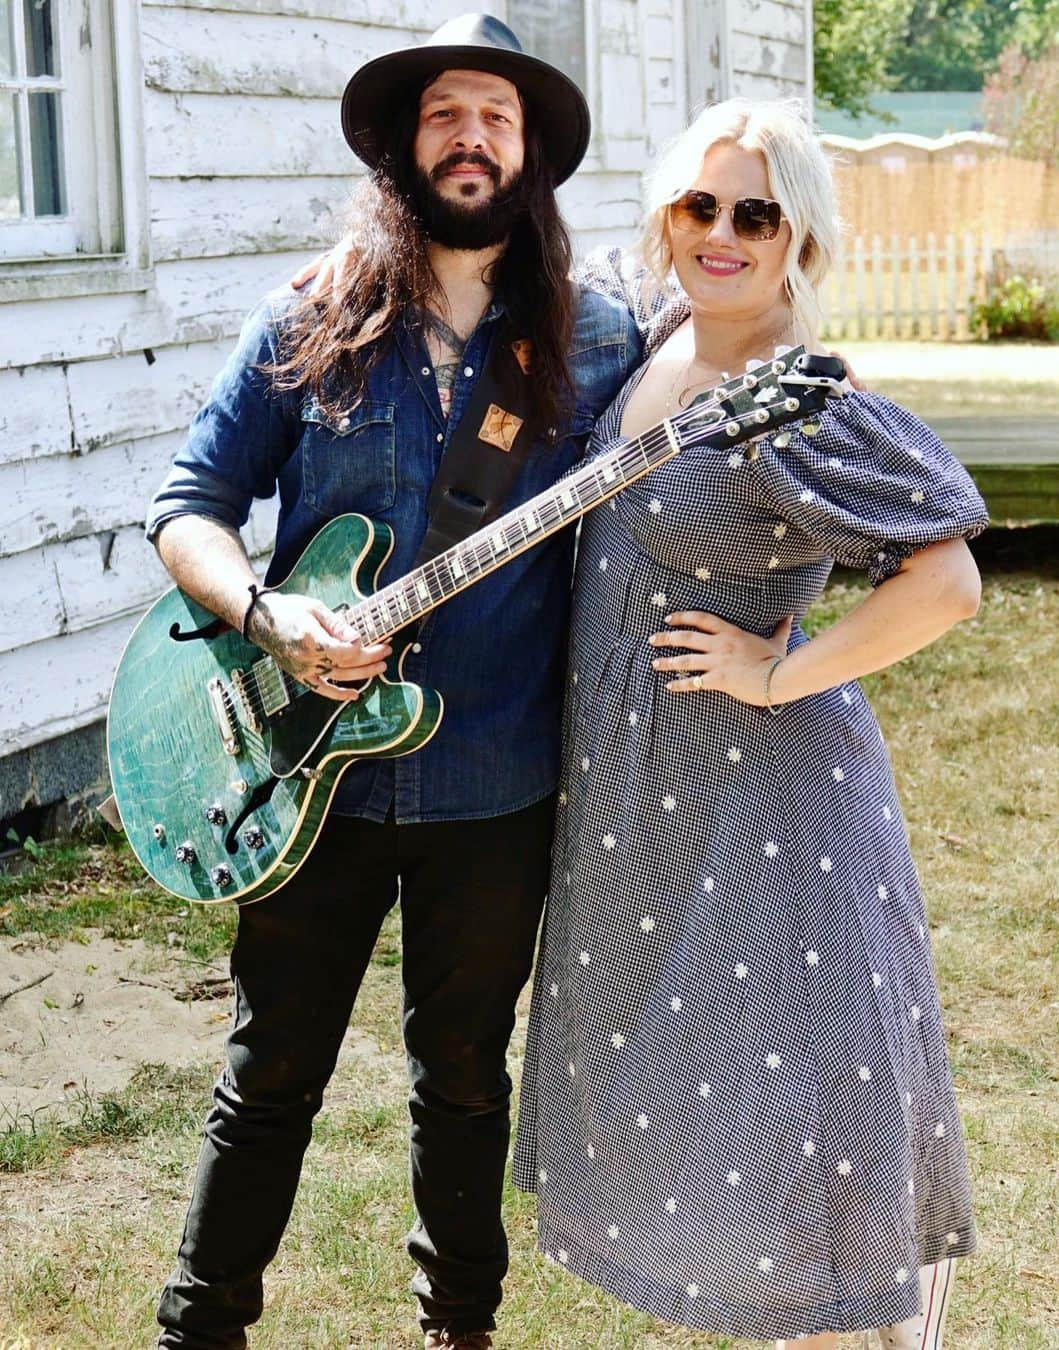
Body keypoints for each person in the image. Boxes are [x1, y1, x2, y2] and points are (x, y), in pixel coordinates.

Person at [144, 15, 642, 1348]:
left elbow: (672, 502)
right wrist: (265, 609)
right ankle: (200, 1328)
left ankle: (457, 1332)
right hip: (302, 780)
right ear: (400, 144)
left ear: (529, 153)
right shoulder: (307, 318)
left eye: (497, 115)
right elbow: (189, 506)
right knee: (269, 1077)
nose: (471, 136)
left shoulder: (598, 342)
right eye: (446, 113)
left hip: (494, 775)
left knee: (466, 1081)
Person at [511, 99, 988, 1350]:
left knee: (797, 1139)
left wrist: (782, 675)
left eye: (756, 214)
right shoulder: (666, 335)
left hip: (770, 817)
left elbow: (946, 582)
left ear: (801, 241)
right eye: (699, 206)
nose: (721, 233)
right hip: (647, 809)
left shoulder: (803, 405)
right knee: (705, 1114)